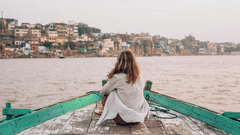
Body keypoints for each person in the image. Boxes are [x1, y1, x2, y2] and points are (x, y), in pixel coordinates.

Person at [96, 50, 150, 125]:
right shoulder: (139, 76)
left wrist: (111, 79)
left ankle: (103, 110)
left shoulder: (117, 78)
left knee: (110, 93)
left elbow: (103, 91)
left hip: (122, 120)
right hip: (138, 119)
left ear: (119, 62)